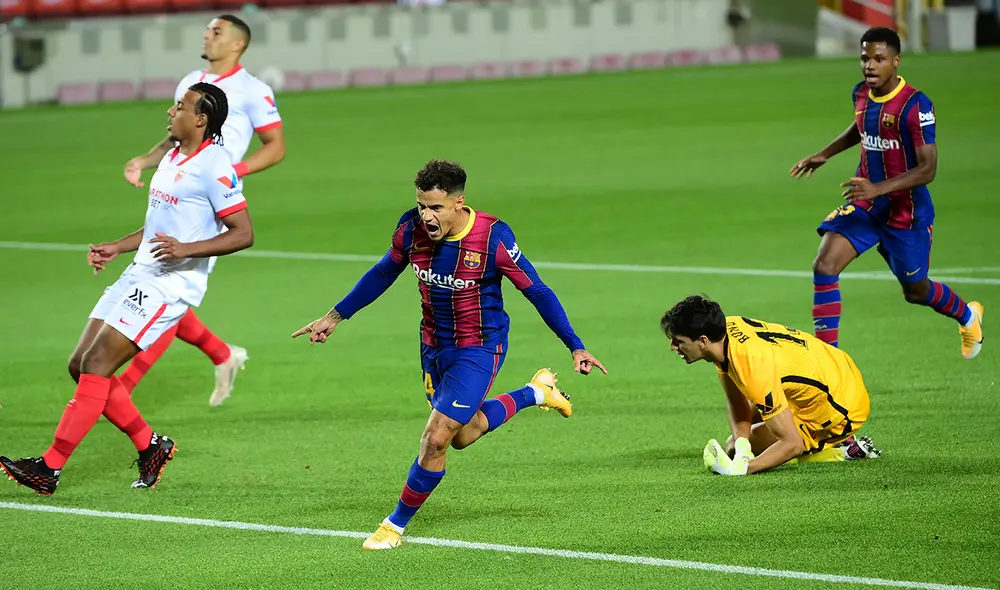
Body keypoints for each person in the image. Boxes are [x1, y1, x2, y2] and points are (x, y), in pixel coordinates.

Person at [293, 160, 606, 549]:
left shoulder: (492, 237)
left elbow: (537, 291)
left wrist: (574, 344)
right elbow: (383, 272)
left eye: (436, 207)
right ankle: (536, 392)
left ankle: (394, 525)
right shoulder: (410, 228)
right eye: (422, 205)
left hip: (479, 347)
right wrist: (336, 315)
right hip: (433, 346)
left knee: (436, 438)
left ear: (459, 203)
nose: (426, 215)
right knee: (462, 435)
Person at [0, 83, 254, 495]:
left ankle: (49, 467)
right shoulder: (173, 157)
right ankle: (150, 445)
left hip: (171, 284)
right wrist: (117, 247)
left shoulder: (214, 166)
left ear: (201, 119)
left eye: (180, 106)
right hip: (140, 271)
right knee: (80, 364)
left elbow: (243, 233)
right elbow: (159, 226)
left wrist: (187, 249)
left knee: (97, 364)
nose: (171, 111)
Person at [120, 14, 286, 407]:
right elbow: (176, 135)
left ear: (237, 44)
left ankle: (122, 388)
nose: (207, 36)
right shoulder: (191, 83)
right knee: (164, 284)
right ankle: (223, 355)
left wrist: (232, 170)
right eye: (207, 30)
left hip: (211, 203)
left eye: (217, 32)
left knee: (168, 286)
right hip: (178, 189)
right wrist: (144, 159)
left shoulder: (252, 90)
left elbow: (275, 146)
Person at [790, 27, 983, 358]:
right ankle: (829, 363)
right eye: (864, 58)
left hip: (906, 215)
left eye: (878, 59)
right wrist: (826, 153)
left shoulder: (916, 106)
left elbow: (928, 169)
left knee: (916, 290)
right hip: (867, 205)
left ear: (896, 61)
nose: (870, 66)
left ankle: (968, 315)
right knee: (824, 265)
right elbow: (863, 125)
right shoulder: (861, 94)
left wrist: (879, 187)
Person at [661, 295, 880, 476]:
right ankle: (824, 445)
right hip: (833, 371)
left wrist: (743, 468)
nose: (673, 347)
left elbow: (792, 443)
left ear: (702, 341)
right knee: (736, 444)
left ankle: (843, 450)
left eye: (679, 341)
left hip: (841, 406)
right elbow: (738, 405)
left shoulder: (754, 369)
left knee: (769, 446)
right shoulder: (725, 334)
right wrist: (742, 448)